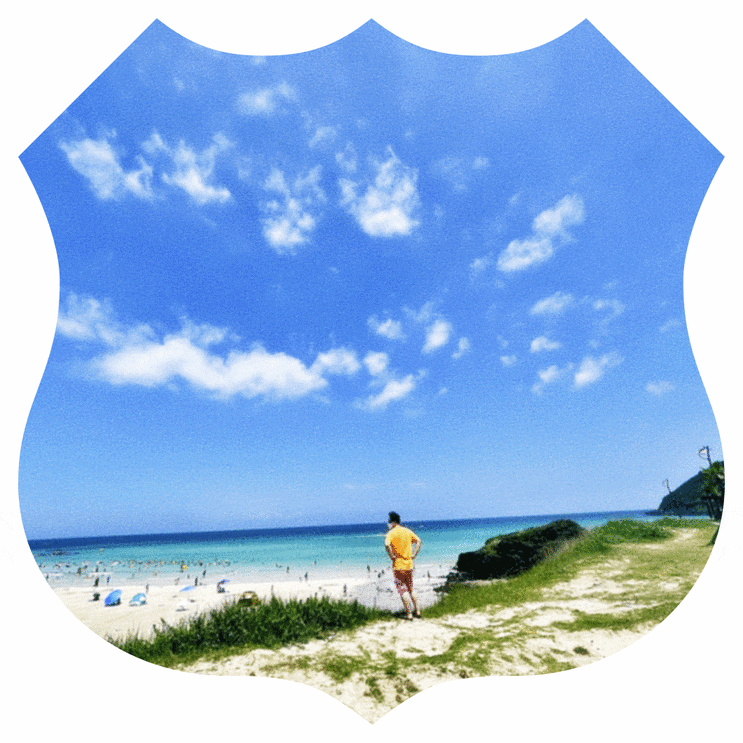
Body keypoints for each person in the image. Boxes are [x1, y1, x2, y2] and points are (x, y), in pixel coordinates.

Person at [384, 511, 422, 620]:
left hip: (398, 565)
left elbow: (386, 544)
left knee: (402, 589)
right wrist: (414, 554)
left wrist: (391, 556)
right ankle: (418, 611)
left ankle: (409, 614)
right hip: (409, 564)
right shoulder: (407, 531)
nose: (388, 523)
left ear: (393, 522)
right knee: (411, 588)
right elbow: (418, 541)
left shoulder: (391, 533)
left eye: (389, 521)